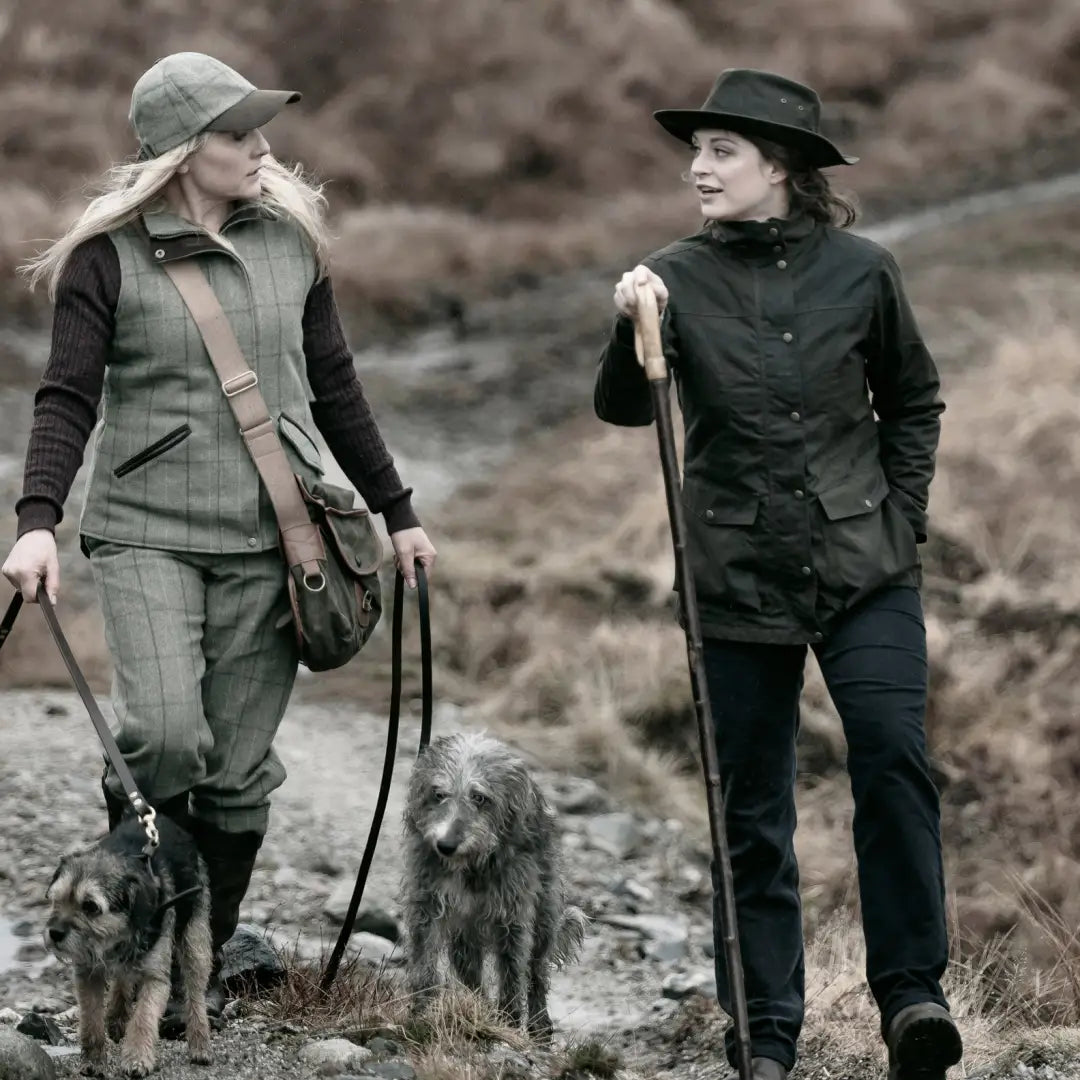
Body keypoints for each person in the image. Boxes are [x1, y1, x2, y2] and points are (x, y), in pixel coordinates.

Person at [2, 52, 437, 1022]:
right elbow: (66, 398)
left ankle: (195, 960)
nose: (263, 147)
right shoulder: (105, 259)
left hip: (276, 542)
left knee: (236, 778)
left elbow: (337, 385)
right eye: (240, 134)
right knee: (162, 736)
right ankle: (129, 938)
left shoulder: (291, 245)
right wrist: (37, 526)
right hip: (146, 533)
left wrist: (398, 511)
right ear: (183, 151)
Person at [594, 69, 961, 1080]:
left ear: (781, 168)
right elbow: (626, 409)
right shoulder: (669, 274)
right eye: (697, 150)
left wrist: (902, 517)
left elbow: (915, 401)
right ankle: (764, 1031)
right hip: (733, 573)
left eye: (720, 151)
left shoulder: (866, 272)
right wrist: (634, 324)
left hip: (866, 567)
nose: (696, 168)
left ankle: (912, 998)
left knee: (893, 759)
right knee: (750, 809)